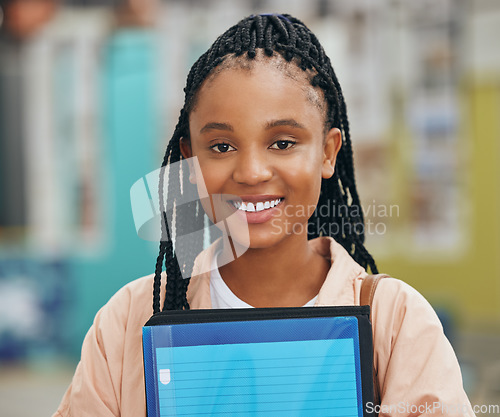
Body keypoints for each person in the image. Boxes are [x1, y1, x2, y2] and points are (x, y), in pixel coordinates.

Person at [54, 14, 475, 417]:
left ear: (328, 152)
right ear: (190, 160)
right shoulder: (129, 319)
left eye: (283, 142)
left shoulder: (396, 320)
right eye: (221, 146)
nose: (252, 172)